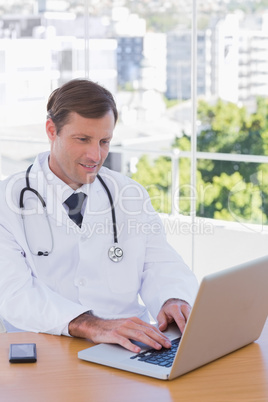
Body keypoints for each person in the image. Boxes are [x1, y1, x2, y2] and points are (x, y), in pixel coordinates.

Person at [0, 79, 198, 353]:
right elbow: (13, 294)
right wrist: (92, 325)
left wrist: (173, 299)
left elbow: (159, 263)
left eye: (104, 141)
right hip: (45, 350)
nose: (95, 155)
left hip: (131, 348)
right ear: (51, 130)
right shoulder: (7, 201)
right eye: (83, 139)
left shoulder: (129, 193)